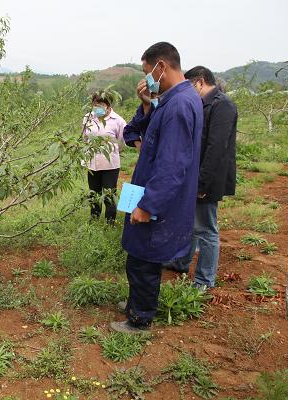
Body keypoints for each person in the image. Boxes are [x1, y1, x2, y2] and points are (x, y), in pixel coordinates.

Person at [110, 42, 203, 334]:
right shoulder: (176, 99)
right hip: (146, 187)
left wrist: (148, 205)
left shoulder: (179, 105)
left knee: (143, 259)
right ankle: (137, 302)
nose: (147, 77)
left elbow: (172, 165)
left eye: (147, 71)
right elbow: (143, 130)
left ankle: (139, 319)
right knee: (138, 255)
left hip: (154, 197)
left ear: (161, 66)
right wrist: (148, 102)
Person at [166, 66, 237, 289]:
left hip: (209, 177)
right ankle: (181, 262)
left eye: (189, 86)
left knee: (206, 228)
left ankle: (205, 280)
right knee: (192, 223)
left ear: (199, 81)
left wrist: (202, 182)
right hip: (197, 175)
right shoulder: (204, 104)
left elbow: (216, 147)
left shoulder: (222, 104)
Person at [82, 90, 126, 222]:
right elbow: (84, 137)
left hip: (110, 165)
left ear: (107, 105)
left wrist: (113, 151)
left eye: (100, 105)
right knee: (94, 194)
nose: (97, 108)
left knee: (108, 195)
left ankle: (110, 222)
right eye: (94, 105)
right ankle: (94, 219)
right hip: (92, 163)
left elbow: (122, 141)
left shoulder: (118, 121)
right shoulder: (88, 118)